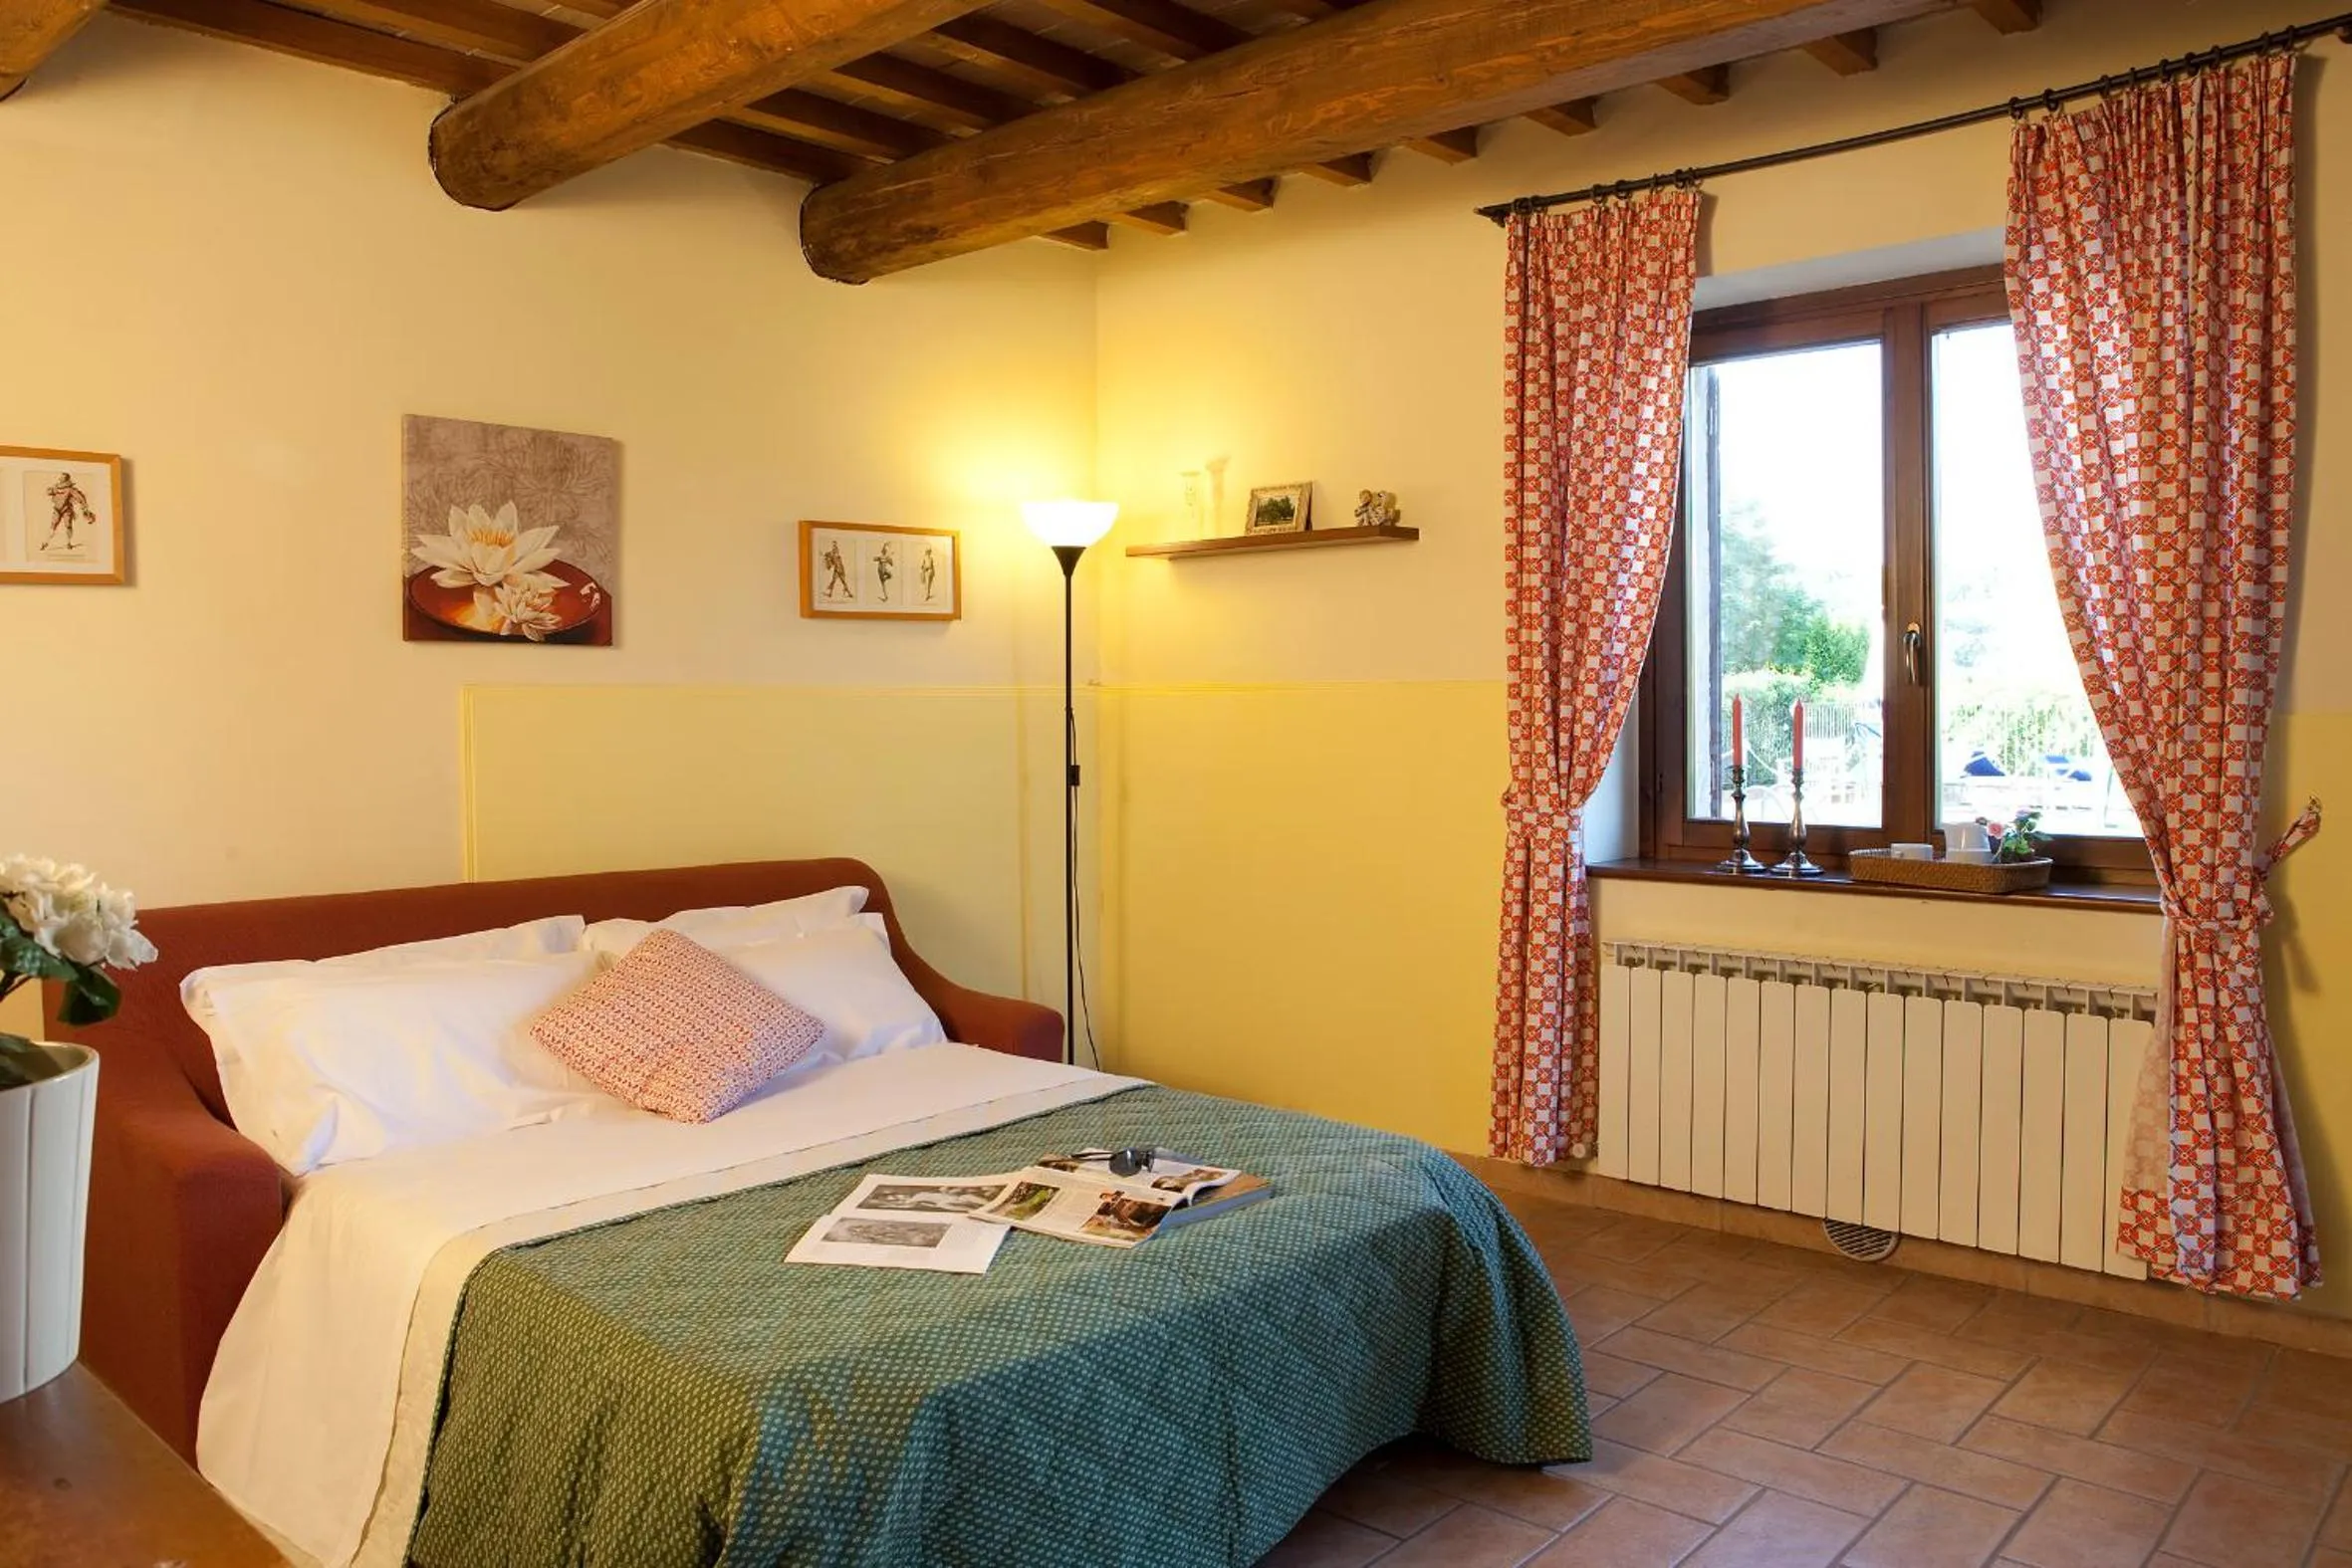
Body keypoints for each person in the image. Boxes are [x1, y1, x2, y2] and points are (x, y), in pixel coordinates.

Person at [44, 472, 95, 552]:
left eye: (62, 478)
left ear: (65, 479)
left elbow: (80, 498)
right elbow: (48, 492)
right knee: (53, 526)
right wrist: (52, 490)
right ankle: (46, 542)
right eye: (60, 477)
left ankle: (68, 543)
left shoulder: (70, 489)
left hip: (66, 510)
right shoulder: (56, 487)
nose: (60, 479)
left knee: (68, 526)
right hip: (57, 510)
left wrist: (85, 508)